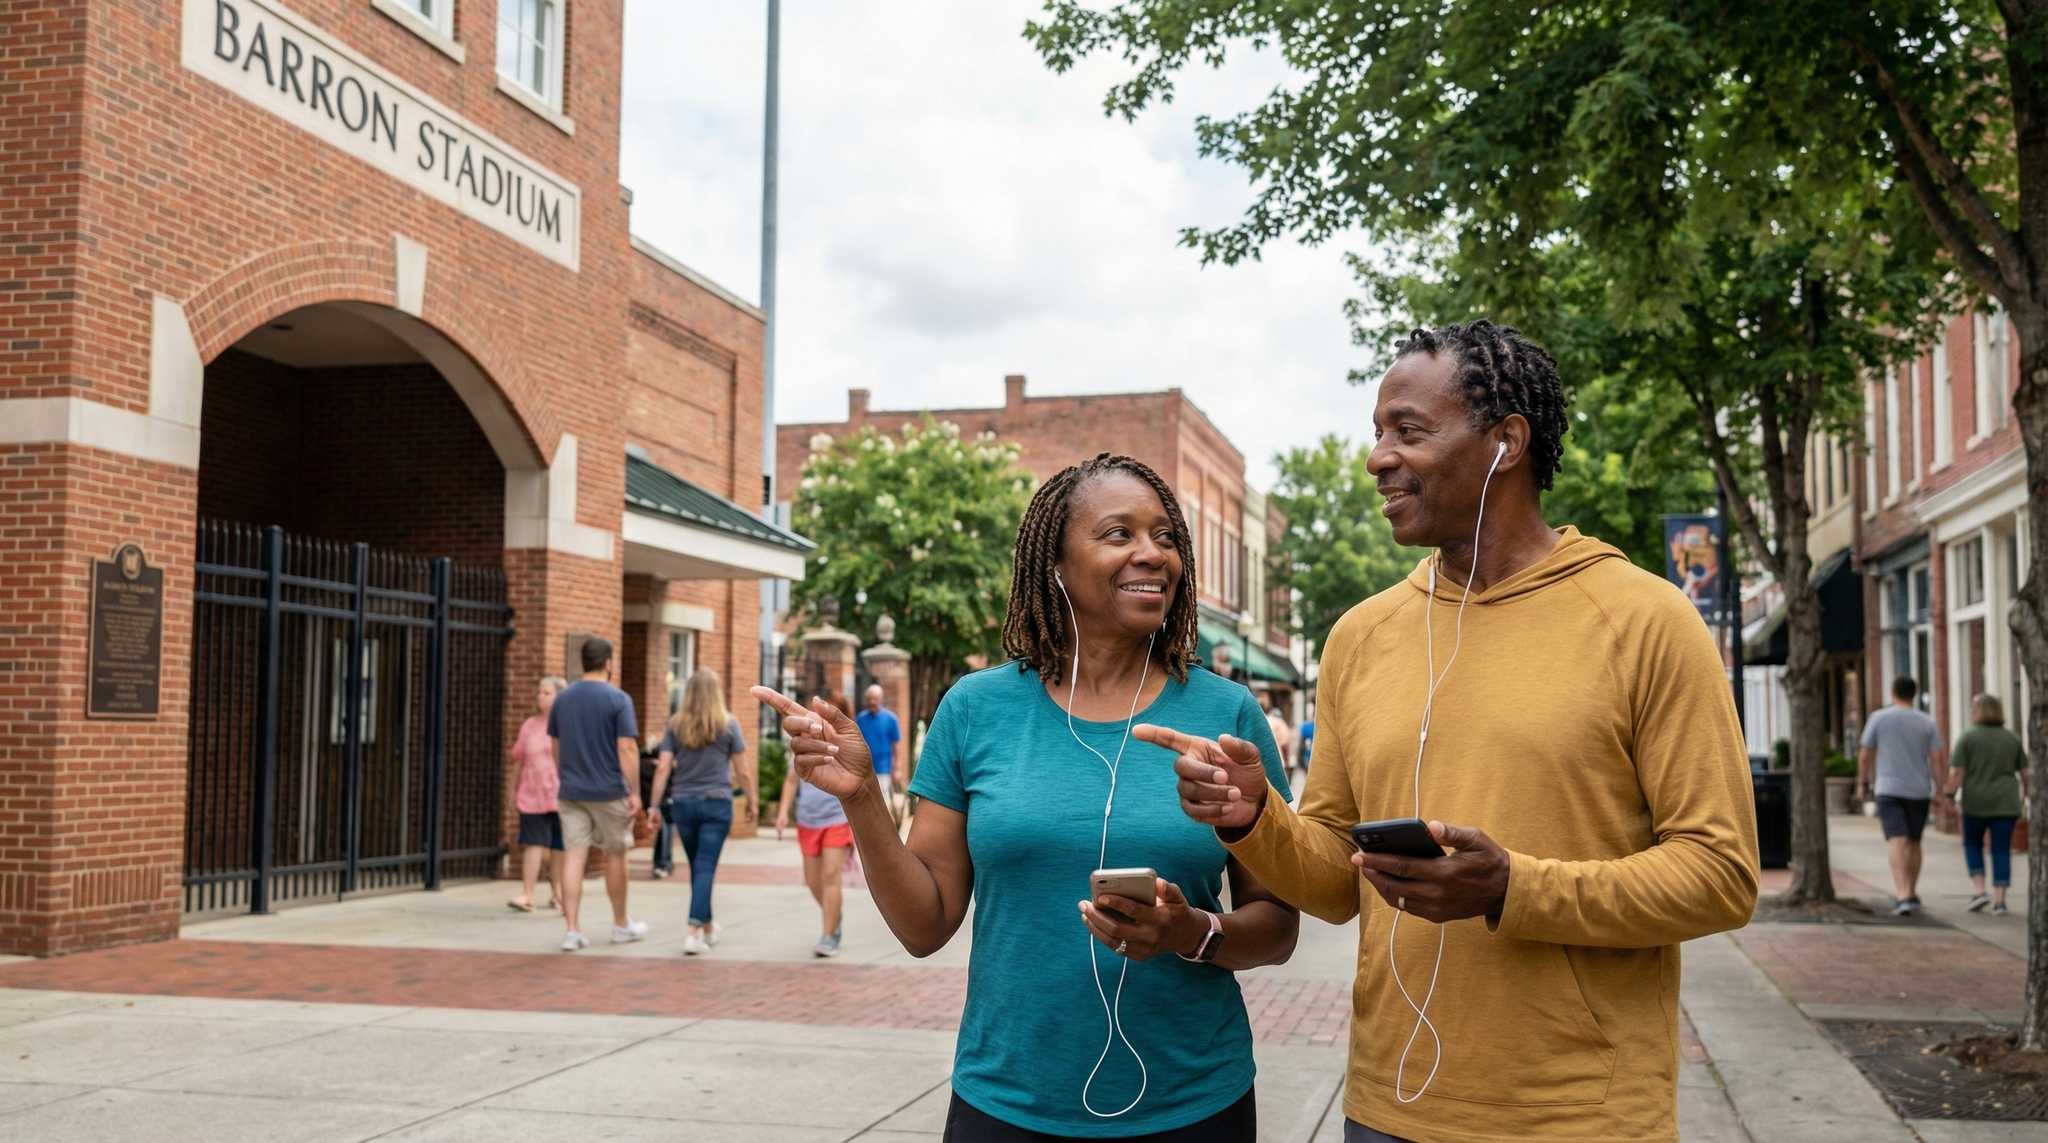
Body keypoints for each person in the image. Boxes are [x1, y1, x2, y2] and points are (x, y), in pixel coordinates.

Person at [1143, 321, 1759, 1143]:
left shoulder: (1647, 619)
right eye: (1376, 432)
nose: (1376, 458)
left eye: (1408, 430)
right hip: (1389, 1105)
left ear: (1505, 442)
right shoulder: (1363, 634)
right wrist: (1254, 818)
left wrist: (1512, 887)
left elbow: (1721, 874)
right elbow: (1334, 882)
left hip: (1581, 1115)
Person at [755, 452, 1301, 1141]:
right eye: (1118, 534)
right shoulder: (976, 709)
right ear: (1056, 564)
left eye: (1165, 536)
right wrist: (862, 795)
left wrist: (1190, 932)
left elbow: (1278, 926)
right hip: (1007, 1101)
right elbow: (925, 926)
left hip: (1193, 1102)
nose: (1152, 553)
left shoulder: (1228, 713)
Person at [548, 637, 651, 951]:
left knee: (574, 856)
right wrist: (634, 791)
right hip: (608, 791)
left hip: (572, 790)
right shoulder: (618, 699)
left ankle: (572, 929)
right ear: (608, 663)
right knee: (615, 854)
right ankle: (620, 924)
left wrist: (563, 775)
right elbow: (627, 748)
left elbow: (554, 745)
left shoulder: (562, 699)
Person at [652, 668, 756, 954]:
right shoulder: (729, 725)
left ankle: (708, 926)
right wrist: (752, 800)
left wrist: (653, 804)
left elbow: (662, 767)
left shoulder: (675, 725)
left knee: (699, 867)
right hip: (716, 804)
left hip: (684, 804)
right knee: (705, 866)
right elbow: (743, 770)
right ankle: (693, 930)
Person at [775, 689, 858, 956]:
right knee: (813, 881)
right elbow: (791, 780)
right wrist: (782, 813)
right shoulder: (805, 742)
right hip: (808, 819)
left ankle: (828, 935)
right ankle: (834, 916)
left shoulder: (844, 745)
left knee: (831, 876)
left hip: (836, 818)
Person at [1858, 675, 1947, 916]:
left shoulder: (1878, 718)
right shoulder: (1926, 722)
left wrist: (1862, 783)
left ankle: (1902, 893)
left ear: (1892, 692)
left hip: (1888, 789)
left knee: (1897, 840)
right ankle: (1911, 892)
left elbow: (1866, 753)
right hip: (1918, 789)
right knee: (1915, 841)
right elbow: (1937, 757)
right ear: (1915, 693)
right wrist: (1939, 789)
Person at [1946, 693, 2028, 916]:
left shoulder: (1967, 738)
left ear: (1976, 711)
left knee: (1972, 844)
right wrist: (2027, 795)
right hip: (2006, 801)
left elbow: (1958, 773)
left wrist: (1949, 794)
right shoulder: (2011, 738)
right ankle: (2000, 901)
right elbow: (2025, 772)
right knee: (2001, 849)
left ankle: (1980, 890)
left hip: (1976, 801)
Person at [507, 675, 567, 912]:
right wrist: (512, 791)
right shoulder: (529, 726)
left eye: (547, 692)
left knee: (558, 848)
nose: (540, 696)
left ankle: (558, 893)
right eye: (539, 691)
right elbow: (519, 761)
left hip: (561, 795)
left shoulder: (566, 725)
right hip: (531, 794)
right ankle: (527, 894)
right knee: (533, 843)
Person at [857, 684, 906, 824]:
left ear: (881, 699)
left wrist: (897, 767)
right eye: (870, 699)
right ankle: (870, 824)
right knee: (866, 800)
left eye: (875, 699)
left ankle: (881, 825)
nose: (872, 702)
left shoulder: (891, 719)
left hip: (884, 767)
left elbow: (896, 745)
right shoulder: (861, 718)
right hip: (864, 767)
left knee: (882, 800)